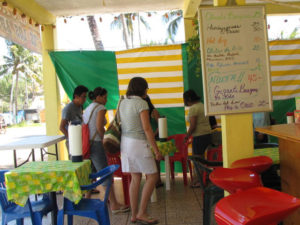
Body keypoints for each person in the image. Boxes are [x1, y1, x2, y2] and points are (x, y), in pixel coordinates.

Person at [119, 77, 163, 224]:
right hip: (138, 143)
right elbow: (146, 128)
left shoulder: (123, 102)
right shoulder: (141, 103)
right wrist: (156, 150)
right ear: (142, 89)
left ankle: (133, 215)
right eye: (146, 88)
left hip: (125, 143)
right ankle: (142, 212)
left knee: (135, 178)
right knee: (153, 176)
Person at [82, 87, 129, 214]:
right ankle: (114, 204)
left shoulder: (88, 108)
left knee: (91, 173)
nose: (106, 100)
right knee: (105, 172)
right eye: (104, 97)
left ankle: (87, 201)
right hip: (96, 143)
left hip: (87, 145)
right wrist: (105, 139)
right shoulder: (100, 108)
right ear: (98, 97)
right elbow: (99, 127)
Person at [183, 89, 212, 188]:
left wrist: (187, 136)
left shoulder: (193, 108)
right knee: (203, 159)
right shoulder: (202, 105)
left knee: (198, 159)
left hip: (199, 136)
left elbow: (193, 125)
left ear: (189, 99)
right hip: (207, 134)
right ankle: (205, 178)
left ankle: (200, 181)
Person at [59, 85, 88, 157]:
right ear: (76, 96)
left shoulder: (80, 106)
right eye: (83, 96)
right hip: (73, 142)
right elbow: (61, 127)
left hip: (81, 140)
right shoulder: (68, 109)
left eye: (85, 97)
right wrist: (72, 139)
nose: (85, 99)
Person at [144, 95, 163, 188]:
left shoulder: (154, 111)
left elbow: (161, 124)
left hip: (154, 138)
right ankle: (152, 181)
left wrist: (154, 134)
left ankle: (158, 180)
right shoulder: (143, 112)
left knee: (156, 160)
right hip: (145, 139)